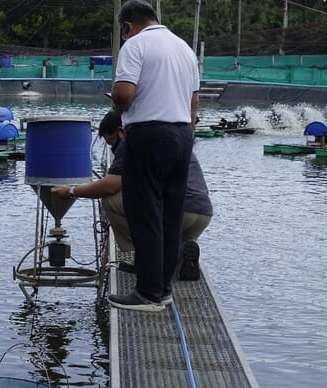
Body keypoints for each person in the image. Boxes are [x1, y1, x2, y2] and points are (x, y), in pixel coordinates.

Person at [109, 0, 200, 312]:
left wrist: (118, 109)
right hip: (182, 135)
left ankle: (147, 294)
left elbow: (124, 93)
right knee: (170, 215)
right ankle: (162, 289)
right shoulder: (184, 49)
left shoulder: (135, 45)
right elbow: (194, 101)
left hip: (148, 135)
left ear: (127, 25)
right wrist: (184, 132)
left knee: (145, 213)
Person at [51, 110, 212, 281]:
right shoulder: (174, 137)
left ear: (121, 131)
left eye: (112, 143)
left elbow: (110, 186)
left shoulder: (133, 141)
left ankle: (140, 258)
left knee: (110, 201)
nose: (114, 149)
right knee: (165, 228)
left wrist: (71, 191)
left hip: (177, 211)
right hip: (202, 213)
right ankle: (184, 249)